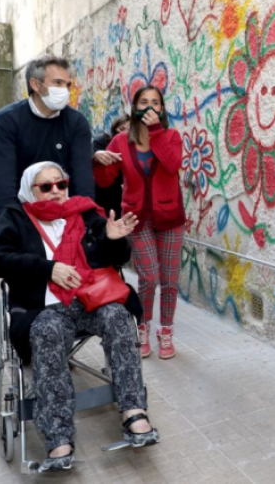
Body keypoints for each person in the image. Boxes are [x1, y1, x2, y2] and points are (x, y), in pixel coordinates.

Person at [0, 162, 160, 472]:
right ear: (30, 190)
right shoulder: (15, 218)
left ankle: (133, 411)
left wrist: (112, 238)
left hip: (91, 301)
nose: (57, 191)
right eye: (46, 187)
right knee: (48, 332)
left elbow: (117, 258)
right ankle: (58, 437)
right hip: (43, 308)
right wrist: (48, 268)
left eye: (61, 184)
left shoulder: (85, 212)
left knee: (117, 316)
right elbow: (0, 257)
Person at [94, 85, 184, 360]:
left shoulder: (171, 136)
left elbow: (172, 165)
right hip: (136, 217)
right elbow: (104, 180)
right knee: (149, 277)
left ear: (162, 109)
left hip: (170, 218)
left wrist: (156, 133)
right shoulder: (121, 140)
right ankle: (142, 327)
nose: (149, 106)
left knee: (169, 280)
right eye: (143, 101)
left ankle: (165, 331)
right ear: (134, 108)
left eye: (155, 102)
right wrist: (99, 160)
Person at [0, 55, 94, 210]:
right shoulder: (6, 121)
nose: (65, 90)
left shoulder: (76, 122)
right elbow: (4, 183)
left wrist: (87, 219)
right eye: (57, 83)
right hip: (20, 215)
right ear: (35, 84)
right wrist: (11, 226)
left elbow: (83, 180)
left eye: (67, 85)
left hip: (64, 214)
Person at [93, 115, 129, 218]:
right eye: (121, 129)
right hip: (99, 191)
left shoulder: (133, 147)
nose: (125, 133)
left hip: (117, 194)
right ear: (114, 129)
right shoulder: (102, 141)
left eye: (129, 129)